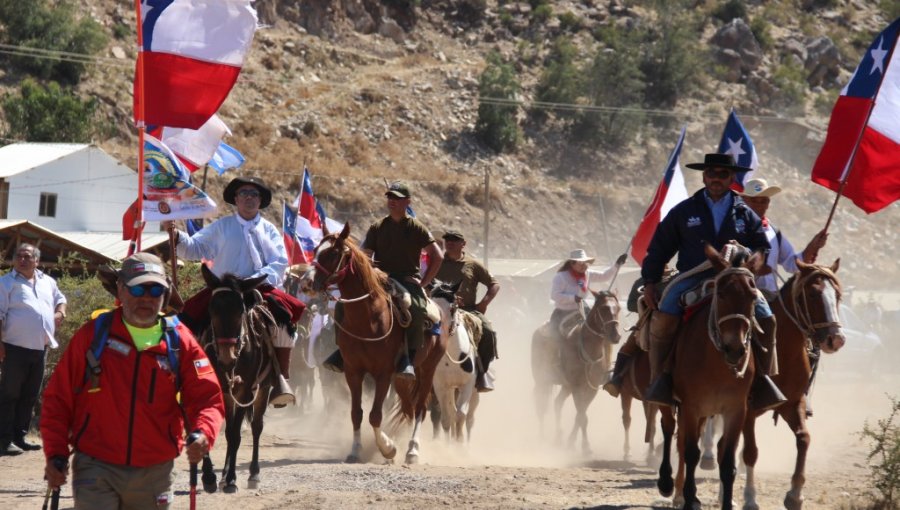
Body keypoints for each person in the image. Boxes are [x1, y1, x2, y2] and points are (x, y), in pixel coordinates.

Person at [40, 252, 224, 509]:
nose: (147, 298)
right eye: (138, 289)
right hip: (96, 466)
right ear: (120, 289)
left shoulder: (180, 341)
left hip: (155, 472)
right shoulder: (94, 335)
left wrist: (204, 432)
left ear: (166, 294)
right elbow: (58, 399)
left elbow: (208, 399)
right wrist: (56, 453)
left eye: (155, 290)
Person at [641, 153, 783, 410]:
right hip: (692, 276)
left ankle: (763, 380)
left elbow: (762, 247)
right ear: (704, 176)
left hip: (735, 280)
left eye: (723, 174)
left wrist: (751, 257)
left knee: (768, 318)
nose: (717, 178)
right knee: (664, 316)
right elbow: (660, 247)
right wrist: (650, 281)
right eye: (712, 173)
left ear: (732, 178)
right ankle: (660, 378)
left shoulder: (745, 212)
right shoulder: (684, 211)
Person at [163, 176, 304, 407]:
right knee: (186, 320)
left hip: (257, 288)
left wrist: (254, 279)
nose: (249, 198)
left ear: (260, 201)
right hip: (223, 290)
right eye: (244, 193)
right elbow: (196, 248)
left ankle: (280, 378)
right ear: (236, 199)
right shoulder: (221, 227)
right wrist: (177, 236)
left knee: (285, 322)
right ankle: (184, 374)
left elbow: (279, 262)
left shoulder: (269, 230)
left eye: (254, 194)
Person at [323, 181, 444, 379]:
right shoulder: (377, 227)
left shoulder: (417, 228)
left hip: (406, 280)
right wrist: (371, 272)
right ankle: (341, 353)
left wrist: (423, 283)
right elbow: (365, 255)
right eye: (389, 197)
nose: (392, 201)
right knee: (341, 307)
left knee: (416, 309)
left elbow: (437, 256)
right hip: (379, 278)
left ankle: (408, 359)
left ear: (408, 201)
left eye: (396, 198)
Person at [0, 244, 67, 456]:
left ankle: (20, 437)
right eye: (18, 256)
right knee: (9, 394)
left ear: (36, 260)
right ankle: (4, 440)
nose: (21, 259)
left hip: (40, 348)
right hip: (13, 348)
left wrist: (60, 314)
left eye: (27, 256)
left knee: (30, 394)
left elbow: (61, 299)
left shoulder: (48, 281)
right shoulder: (6, 283)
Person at [739, 178, 828, 297]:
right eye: (754, 200)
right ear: (744, 201)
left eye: (763, 201)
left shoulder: (774, 233)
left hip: (770, 296)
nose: (759, 205)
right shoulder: (735, 228)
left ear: (768, 203)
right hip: (741, 295)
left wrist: (812, 246)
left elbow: (792, 264)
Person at [435, 230, 500, 392]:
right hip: (441, 310)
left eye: (455, 240)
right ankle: (415, 371)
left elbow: (494, 284)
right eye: (447, 239)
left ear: (463, 244)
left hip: (468, 310)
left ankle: (482, 374)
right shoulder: (436, 262)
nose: (449, 242)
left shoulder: (473, 264)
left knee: (488, 331)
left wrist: (483, 304)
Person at [549, 249, 626, 335]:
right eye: (581, 263)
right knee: (554, 336)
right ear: (572, 263)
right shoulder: (561, 277)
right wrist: (573, 298)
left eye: (585, 262)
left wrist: (617, 265)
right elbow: (554, 295)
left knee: (600, 328)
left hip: (582, 310)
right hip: (563, 312)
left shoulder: (588, 274)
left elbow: (604, 276)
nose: (584, 265)